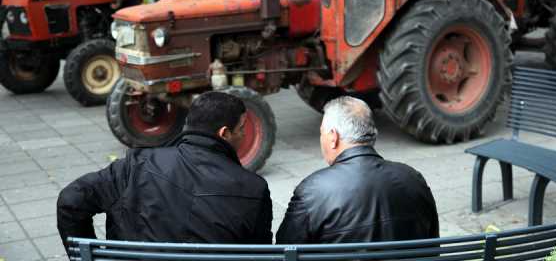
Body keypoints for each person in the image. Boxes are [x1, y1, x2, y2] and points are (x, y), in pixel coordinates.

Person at [57, 91, 273, 252]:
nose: (244, 135)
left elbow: (71, 200)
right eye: (242, 129)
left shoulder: (136, 164)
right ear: (224, 133)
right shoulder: (253, 189)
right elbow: (260, 254)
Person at [276, 96, 439, 244]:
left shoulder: (311, 191)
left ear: (333, 137)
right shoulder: (413, 179)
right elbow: (433, 243)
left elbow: (286, 251)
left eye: (322, 134)